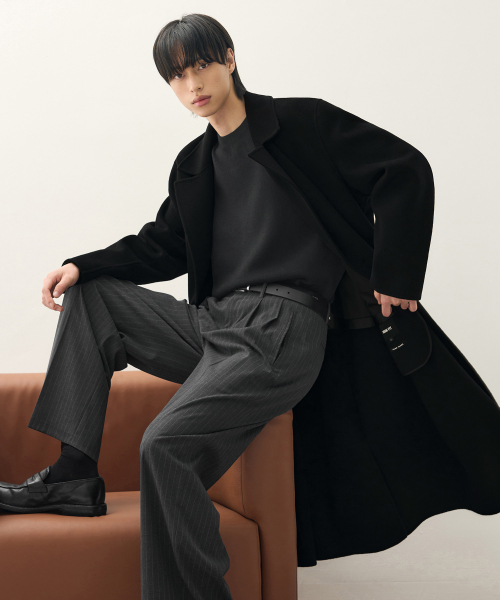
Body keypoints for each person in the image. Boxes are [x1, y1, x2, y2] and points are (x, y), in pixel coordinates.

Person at [1, 12, 441, 600]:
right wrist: (83, 264)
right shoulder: (194, 163)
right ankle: (73, 475)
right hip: (216, 325)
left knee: (164, 444)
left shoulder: (302, 123)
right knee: (93, 296)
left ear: (230, 59)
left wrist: (396, 274)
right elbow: (163, 245)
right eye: (177, 77)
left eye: (202, 66)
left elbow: (404, 169)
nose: (193, 86)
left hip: (284, 326)